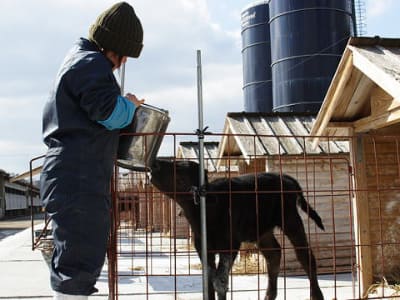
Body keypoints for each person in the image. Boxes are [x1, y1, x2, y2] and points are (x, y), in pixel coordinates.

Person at [40, 2, 144, 299]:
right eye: (124, 56)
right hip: (80, 175)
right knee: (79, 262)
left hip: (73, 172)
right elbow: (108, 112)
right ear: (113, 47)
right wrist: (131, 106)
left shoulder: (78, 59)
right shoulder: (91, 64)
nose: (122, 63)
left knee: (75, 257)